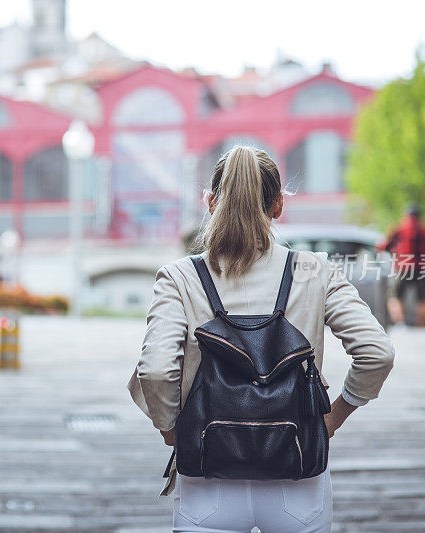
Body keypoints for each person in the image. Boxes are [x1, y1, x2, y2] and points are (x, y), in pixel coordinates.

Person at [128, 146, 395, 532]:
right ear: (278, 206)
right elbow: (377, 353)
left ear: (210, 202)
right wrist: (333, 417)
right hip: (297, 471)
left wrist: (172, 429)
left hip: (208, 475)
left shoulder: (179, 277)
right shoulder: (315, 271)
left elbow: (154, 372)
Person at [383, 204, 425, 327]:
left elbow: (384, 245)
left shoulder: (401, 229)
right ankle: (421, 325)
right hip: (422, 267)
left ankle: (400, 323)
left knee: (394, 296)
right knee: (422, 298)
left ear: (407, 215)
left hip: (404, 267)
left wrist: (394, 252)